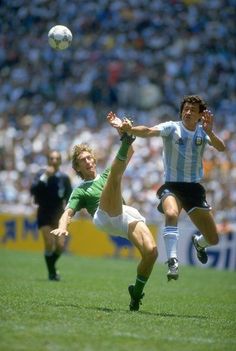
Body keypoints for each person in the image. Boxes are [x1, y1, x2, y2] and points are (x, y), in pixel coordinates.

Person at [51, 112, 158, 311]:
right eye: (83, 160)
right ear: (77, 168)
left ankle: (136, 293)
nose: (88, 161)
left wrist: (120, 128)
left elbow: (130, 152)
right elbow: (68, 212)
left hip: (123, 214)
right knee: (114, 178)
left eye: (89, 157)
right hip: (103, 217)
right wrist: (62, 227)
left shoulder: (108, 172)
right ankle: (126, 137)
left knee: (151, 253)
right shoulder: (81, 190)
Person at [118, 95, 226, 281]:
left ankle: (199, 243)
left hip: (193, 189)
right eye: (186, 108)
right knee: (171, 214)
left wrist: (211, 132)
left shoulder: (203, 132)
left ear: (200, 115)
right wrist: (130, 129)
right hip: (172, 186)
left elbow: (222, 148)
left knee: (213, 239)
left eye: (193, 109)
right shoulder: (171, 127)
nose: (188, 112)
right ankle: (172, 261)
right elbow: (148, 131)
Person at [30, 150, 72, 281]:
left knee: (60, 246)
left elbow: (69, 197)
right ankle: (52, 273)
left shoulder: (64, 178)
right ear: (48, 160)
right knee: (49, 243)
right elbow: (33, 190)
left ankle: (52, 269)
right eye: (52, 158)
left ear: (60, 161)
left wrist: (70, 213)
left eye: (57, 158)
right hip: (44, 212)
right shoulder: (41, 174)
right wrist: (45, 177)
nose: (54, 161)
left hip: (58, 214)